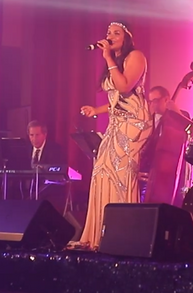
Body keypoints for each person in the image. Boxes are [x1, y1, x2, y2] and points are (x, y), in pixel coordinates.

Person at [75, 21, 152, 249]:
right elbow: (117, 101)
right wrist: (96, 110)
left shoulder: (136, 56)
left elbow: (126, 88)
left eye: (116, 33)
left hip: (134, 124)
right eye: (108, 33)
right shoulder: (117, 61)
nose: (110, 36)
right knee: (101, 172)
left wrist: (108, 58)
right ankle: (99, 236)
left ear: (127, 37)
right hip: (116, 122)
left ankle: (125, 235)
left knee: (121, 174)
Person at [140, 86, 193, 206]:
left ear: (166, 99)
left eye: (155, 101)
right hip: (148, 170)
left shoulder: (179, 116)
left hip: (168, 173)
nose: (152, 105)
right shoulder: (148, 119)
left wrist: (176, 112)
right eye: (150, 101)